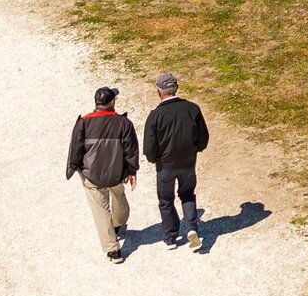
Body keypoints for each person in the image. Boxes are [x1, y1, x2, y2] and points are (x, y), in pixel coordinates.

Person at [66, 85, 139, 263]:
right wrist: (132, 170)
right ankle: (117, 224)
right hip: (116, 173)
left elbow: (76, 148)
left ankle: (113, 250)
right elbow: (131, 150)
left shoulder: (83, 122)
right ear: (112, 101)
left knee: (101, 211)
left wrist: (74, 167)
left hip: (91, 175)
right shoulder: (124, 123)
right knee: (120, 200)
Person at [143, 71, 210, 251]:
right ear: (177, 88)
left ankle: (171, 238)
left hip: (165, 165)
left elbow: (149, 147)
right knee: (187, 195)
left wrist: (154, 159)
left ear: (158, 91)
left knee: (166, 200)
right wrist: (195, 149)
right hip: (188, 162)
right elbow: (203, 137)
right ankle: (192, 228)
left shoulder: (155, 115)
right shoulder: (192, 108)